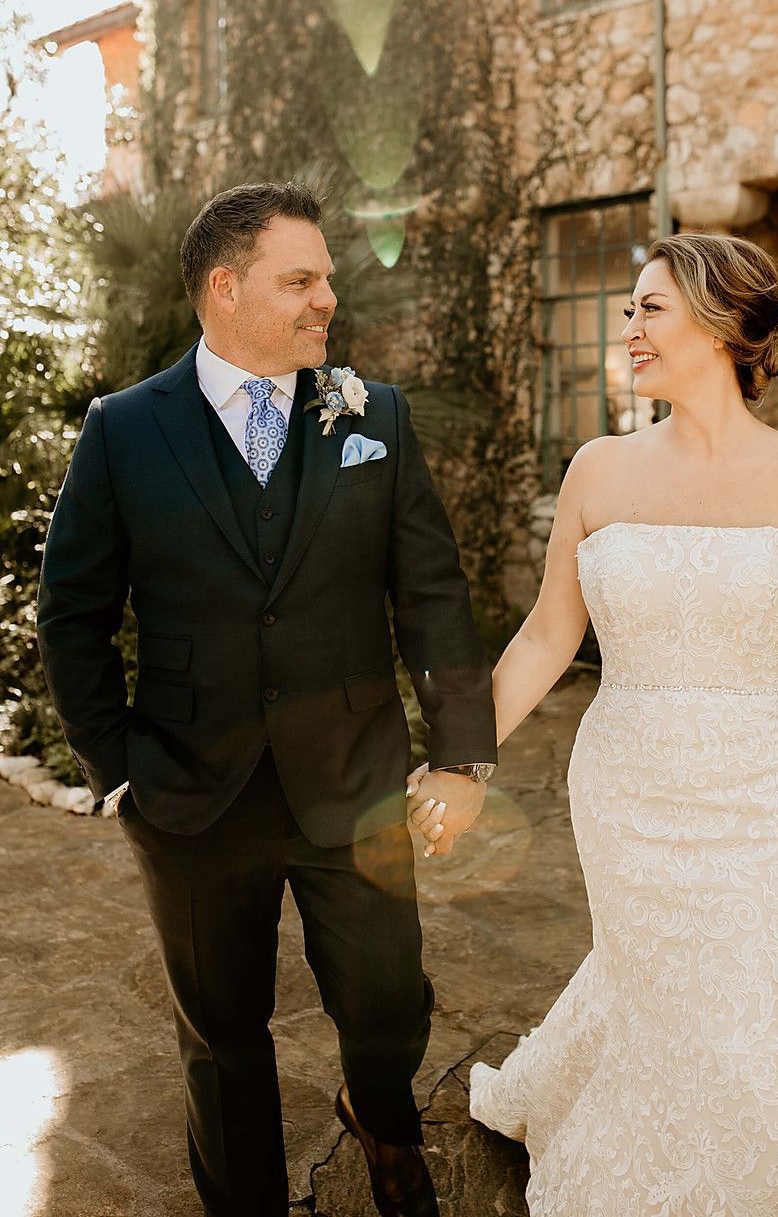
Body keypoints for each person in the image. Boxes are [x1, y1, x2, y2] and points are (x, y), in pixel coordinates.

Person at [37, 181, 498, 1217]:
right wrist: (119, 771)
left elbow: (431, 592)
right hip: (191, 792)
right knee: (222, 1034)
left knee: (387, 1005)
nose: (327, 298)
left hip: (355, 777)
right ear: (225, 287)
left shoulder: (373, 414)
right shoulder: (122, 429)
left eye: (325, 278)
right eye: (300, 280)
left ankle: (380, 1116)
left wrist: (461, 753)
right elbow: (70, 614)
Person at [409, 232, 778, 1213]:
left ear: (720, 323)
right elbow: (546, 635)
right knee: (658, 997)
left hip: (768, 796)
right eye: (627, 308)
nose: (627, 326)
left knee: (747, 1005)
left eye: (649, 307)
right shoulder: (597, 469)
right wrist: (462, 761)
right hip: (627, 788)